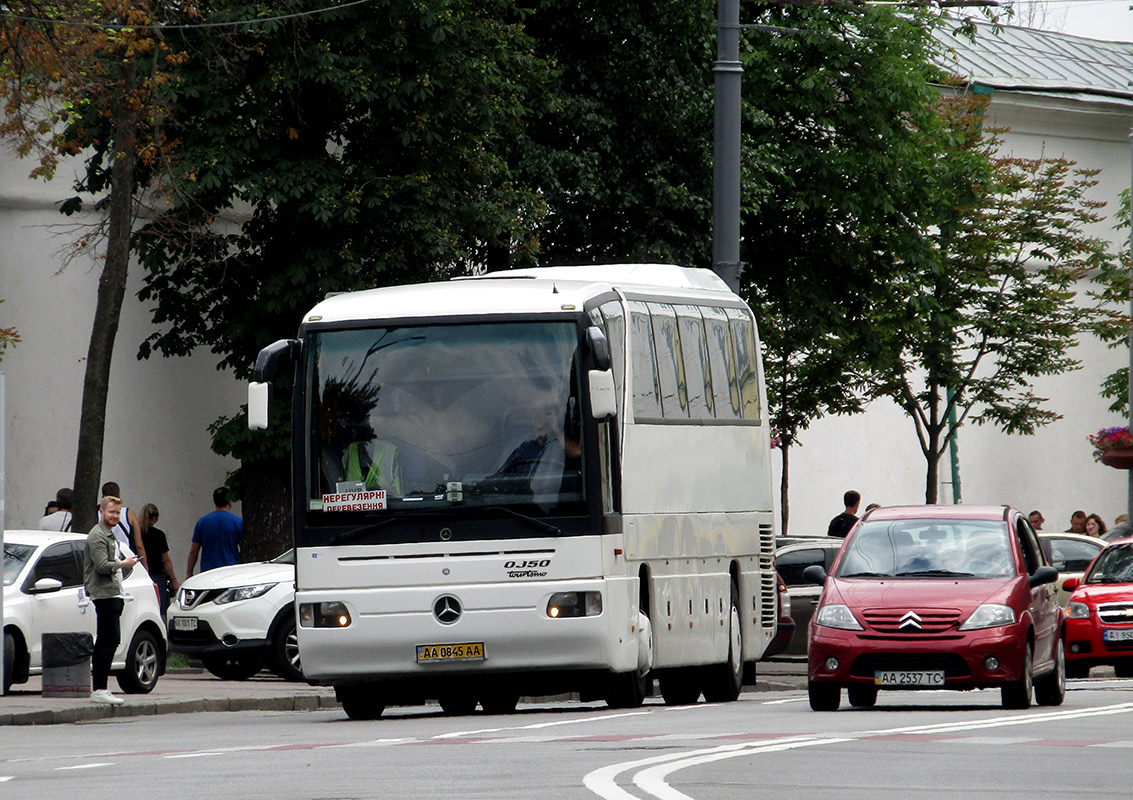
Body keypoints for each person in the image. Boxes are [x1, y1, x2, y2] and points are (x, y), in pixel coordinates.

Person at [82, 494, 139, 705]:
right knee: (109, 639)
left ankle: (100, 688)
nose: (114, 516)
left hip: (112, 593)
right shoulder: (97, 536)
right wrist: (124, 563)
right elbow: (102, 566)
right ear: (101, 512)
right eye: (111, 512)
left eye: (117, 512)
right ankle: (99, 689)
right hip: (104, 594)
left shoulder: (109, 535)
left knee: (108, 640)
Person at [186, 487, 243, 577]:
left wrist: (189, 572)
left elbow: (194, 551)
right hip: (231, 570)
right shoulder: (238, 522)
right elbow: (243, 547)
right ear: (229, 501)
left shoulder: (202, 522)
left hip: (208, 571)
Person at [138, 503, 180, 615]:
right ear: (154, 518)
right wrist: (174, 579)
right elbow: (166, 560)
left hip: (141, 576)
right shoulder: (159, 535)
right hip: (157, 575)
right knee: (160, 608)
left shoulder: (136, 534)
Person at [100, 481, 147, 571]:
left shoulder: (98, 514)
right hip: (126, 559)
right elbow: (139, 545)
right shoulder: (129, 514)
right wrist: (145, 568)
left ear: (103, 497)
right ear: (119, 496)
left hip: (105, 560)